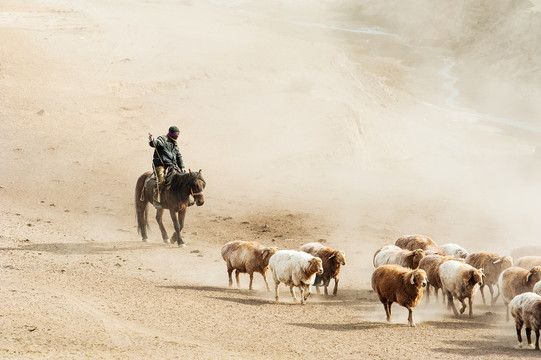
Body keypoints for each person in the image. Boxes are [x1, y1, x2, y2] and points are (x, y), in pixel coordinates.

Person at [148, 126, 186, 207]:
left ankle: (185, 199)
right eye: (176, 134)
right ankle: (155, 200)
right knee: (161, 180)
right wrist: (152, 140)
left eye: (178, 135)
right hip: (161, 164)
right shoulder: (162, 139)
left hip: (172, 165)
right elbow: (155, 143)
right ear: (171, 133)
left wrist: (182, 167)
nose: (177, 136)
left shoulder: (175, 143)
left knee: (183, 179)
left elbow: (178, 156)